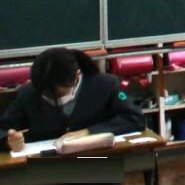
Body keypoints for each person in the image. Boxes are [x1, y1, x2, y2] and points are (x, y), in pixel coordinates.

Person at [0, 47, 144, 153]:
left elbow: (135, 118)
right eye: (46, 94)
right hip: (47, 167)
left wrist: (88, 132)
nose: (54, 98)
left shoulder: (105, 84)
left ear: (76, 76)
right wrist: (8, 141)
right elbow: (4, 128)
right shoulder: (29, 92)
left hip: (97, 160)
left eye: (59, 93)